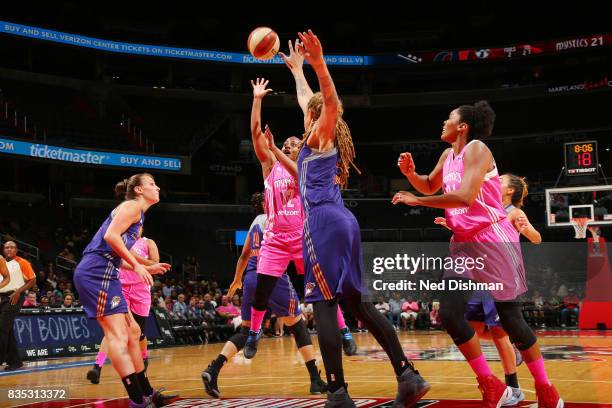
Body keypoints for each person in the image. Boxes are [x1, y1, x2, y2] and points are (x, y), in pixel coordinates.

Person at [281, 30, 429, 407]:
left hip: (322, 224)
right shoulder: (317, 134)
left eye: (310, 111)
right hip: (343, 222)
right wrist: (299, 71)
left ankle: (337, 393)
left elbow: (328, 101)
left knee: (324, 305)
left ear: (316, 116)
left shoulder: (320, 135)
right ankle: (407, 375)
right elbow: (310, 101)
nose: (306, 113)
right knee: (358, 305)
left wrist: (318, 65)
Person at [393, 101, 562, 407]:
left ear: (463, 126)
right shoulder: (448, 154)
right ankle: (490, 384)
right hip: (463, 242)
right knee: (448, 314)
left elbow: (465, 197)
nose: (443, 122)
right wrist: (412, 175)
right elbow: (431, 186)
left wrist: (416, 200)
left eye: (449, 118)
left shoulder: (478, 149)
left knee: (510, 320)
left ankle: (546, 389)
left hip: (492, 238)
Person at [202, 192, 327, 398]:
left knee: (245, 331)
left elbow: (243, 256)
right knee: (298, 326)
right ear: (265, 203)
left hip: (251, 278)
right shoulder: (280, 218)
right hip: (273, 277)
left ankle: (213, 369)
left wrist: (236, 280)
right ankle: (315, 380)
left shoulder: (255, 222)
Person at [73, 173, 175, 408]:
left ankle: (148, 393)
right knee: (117, 336)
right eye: (151, 184)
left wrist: (149, 265)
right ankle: (137, 400)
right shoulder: (131, 207)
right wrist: (138, 265)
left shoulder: (138, 217)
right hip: (95, 274)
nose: (157, 187)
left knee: (133, 330)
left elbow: (118, 254)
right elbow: (110, 237)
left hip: (108, 272)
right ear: (139, 190)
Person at [87, 237, 161, 385]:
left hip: (141, 289)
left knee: (139, 333)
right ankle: (97, 367)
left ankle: (143, 358)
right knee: (112, 330)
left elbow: (155, 264)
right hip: (120, 288)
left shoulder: (148, 242)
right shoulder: (119, 240)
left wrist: (133, 256)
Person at [0, 241, 35, 371]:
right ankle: (15, 362)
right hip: (2, 297)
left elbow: (32, 280)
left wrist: (18, 292)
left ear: (16, 250)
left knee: (2, 328)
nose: (9, 249)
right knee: (7, 330)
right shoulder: (2, 262)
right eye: (7, 247)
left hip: (14, 296)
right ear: (3, 249)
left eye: (12, 247)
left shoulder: (23, 262)